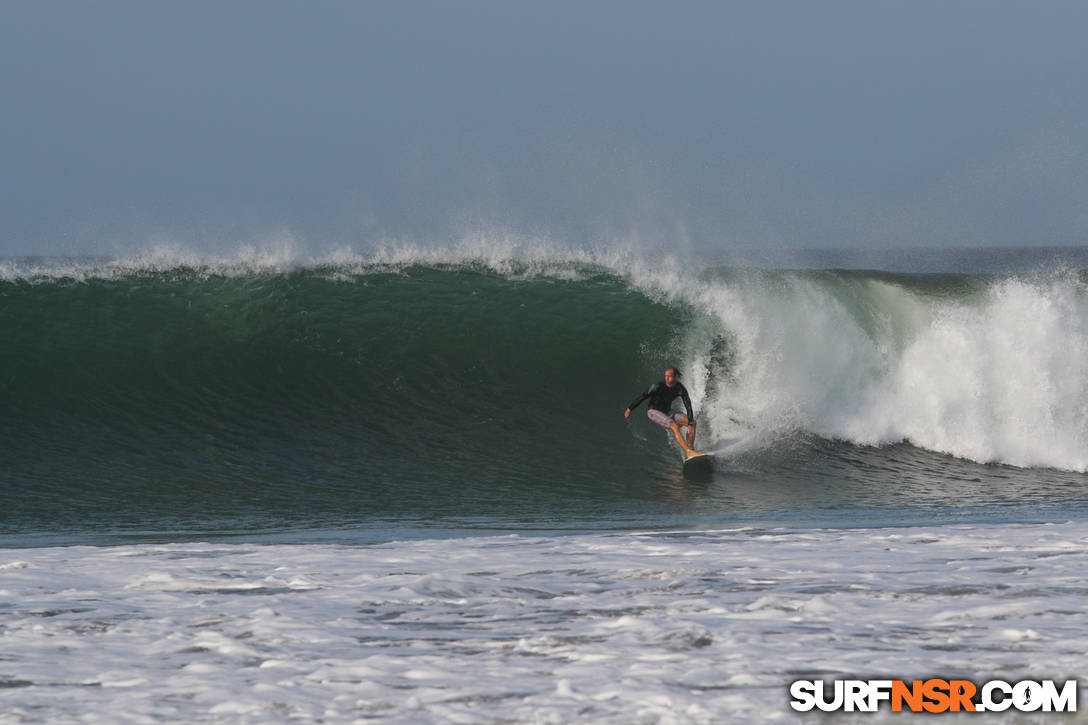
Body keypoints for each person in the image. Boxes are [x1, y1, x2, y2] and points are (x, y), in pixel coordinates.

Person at [625, 366, 705, 458]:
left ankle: (691, 451)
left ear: (675, 377)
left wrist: (690, 423)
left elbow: (688, 404)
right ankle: (688, 451)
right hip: (653, 411)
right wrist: (629, 409)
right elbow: (642, 397)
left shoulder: (680, 388)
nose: (667, 378)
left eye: (669, 376)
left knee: (692, 422)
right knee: (674, 426)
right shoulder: (657, 386)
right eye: (665, 376)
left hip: (667, 411)